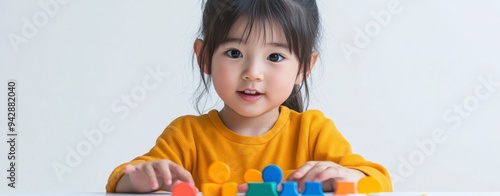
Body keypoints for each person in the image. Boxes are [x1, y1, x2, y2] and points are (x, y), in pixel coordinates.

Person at [106, 0, 392, 193]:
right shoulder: (187, 135)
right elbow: (119, 180)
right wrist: (140, 179)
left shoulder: (312, 131)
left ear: (304, 67)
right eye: (234, 53)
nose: (253, 73)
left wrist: (349, 178)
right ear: (204, 58)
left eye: (275, 56)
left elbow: (378, 180)